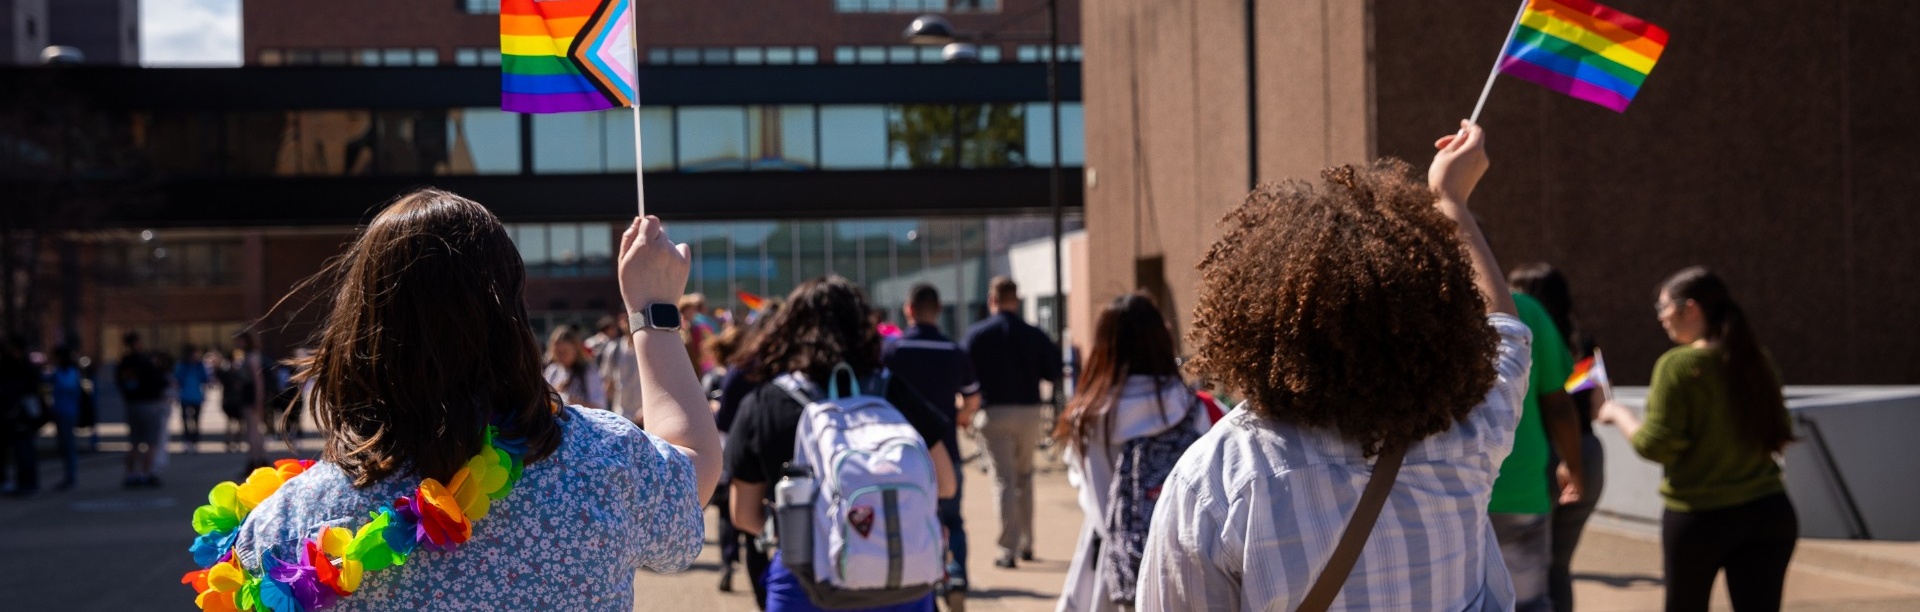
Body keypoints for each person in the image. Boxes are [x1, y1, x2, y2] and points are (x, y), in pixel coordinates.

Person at [219, 188, 722, 608]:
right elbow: (693, 462)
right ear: (510, 317)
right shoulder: (602, 460)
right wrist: (652, 310)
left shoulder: (282, 531)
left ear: (358, 328)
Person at [1139, 122, 1526, 609]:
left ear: (1256, 324)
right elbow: (1507, 336)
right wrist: (1451, 201)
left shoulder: (1219, 477)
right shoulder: (1466, 436)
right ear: (1438, 318)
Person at [725, 276, 959, 612]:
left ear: (789, 329)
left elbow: (744, 514)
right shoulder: (892, 392)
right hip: (899, 579)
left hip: (804, 584)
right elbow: (946, 483)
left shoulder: (765, 403)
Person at [1597, 267, 1797, 612]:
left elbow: (1656, 445)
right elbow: (1781, 429)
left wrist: (1617, 413)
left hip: (1699, 516)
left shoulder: (1678, 366)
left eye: (1663, 307)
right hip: (1768, 511)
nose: (1660, 318)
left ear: (1690, 308)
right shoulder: (1756, 358)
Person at [1054, 292, 1219, 612]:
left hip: (1116, 570)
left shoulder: (1089, 418)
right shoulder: (1192, 408)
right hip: (1187, 565)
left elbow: (1089, 492)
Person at [1510, 263, 1607, 612]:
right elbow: (1597, 406)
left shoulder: (1523, 337)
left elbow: (1551, 404)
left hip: (1545, 456)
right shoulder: (1583, 343)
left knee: (1530, 572)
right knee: (1560, 568)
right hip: (1588, 452)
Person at [882, 283, 982, 600]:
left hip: (901, 455)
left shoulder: (892, 352)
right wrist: (961, 416)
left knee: (906, 519)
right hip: (946, 450)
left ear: (908, 310)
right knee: (952, 518)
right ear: (939, 310)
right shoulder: (954, 351)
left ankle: (917, 580)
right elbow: (973, 398)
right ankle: (956, 575)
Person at [1490, 290, 1585, 612]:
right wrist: (1574, 466)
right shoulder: (1526, 309)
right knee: (1528, 603)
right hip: (1518, 489)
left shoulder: (1421, 301)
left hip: (1438, 493)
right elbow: (1558, 403)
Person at [961, 276, 1063, 569]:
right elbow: (1053, 370)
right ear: (1015, 299)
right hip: (1030, 412)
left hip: (993, 413)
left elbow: (963, 374)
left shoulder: (977, 334)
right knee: (1025, 476)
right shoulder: (1033, 333)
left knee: (1004, 480)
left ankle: (1008, 549)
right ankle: (1027, 543)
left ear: (992, 299)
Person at [115, 332, 171, 488]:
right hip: (149, 404)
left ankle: (131, 474)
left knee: (134, 442)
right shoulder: (145, 362)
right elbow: (160, 381)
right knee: (151, 442)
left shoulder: (123, 364)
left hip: (132, 405)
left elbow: (120, 384)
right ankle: (146, 474)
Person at [0, 337, 41, 495]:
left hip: (21, 414)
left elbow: (28, 388)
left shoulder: (22, 367)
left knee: (24, 450)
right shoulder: (15, 365)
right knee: (21, 450)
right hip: (16, 414)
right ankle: (24, 483)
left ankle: (27, 483)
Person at [225, 332, 269, 470]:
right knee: (252, 430)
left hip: (251, 397)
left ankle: (256, 459)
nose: (236, 344)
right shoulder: (245, 356)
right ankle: (257, 458)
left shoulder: (252, 357)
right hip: (247, 397)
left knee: (253, 430)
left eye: (238, 341)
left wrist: (258, 400)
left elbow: (258, 381)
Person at [47, 346, 85, 490]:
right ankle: (69, 476)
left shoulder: (66, 373)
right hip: (63, 412)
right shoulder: (63, 372)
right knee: (65, 445)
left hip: (67, 412)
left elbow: (67, 387)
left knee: (68, 445)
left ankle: (70, 477)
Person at [545, 325, 607, 410]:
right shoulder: (552, 370)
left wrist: (573, 402)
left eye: (565, 352)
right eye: (557, 352)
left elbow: (600, 406)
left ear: (576, 350)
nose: (561, 356)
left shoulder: (589, 371)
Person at [174, 345, 210, 451]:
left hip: (197, 397)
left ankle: (194, 440)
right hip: (185, 396)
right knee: (185, 420)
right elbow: (177, 379)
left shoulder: (199, 366)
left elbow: (205, 379)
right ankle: (187, 440)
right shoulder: (182, 366)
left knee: (196, 420)